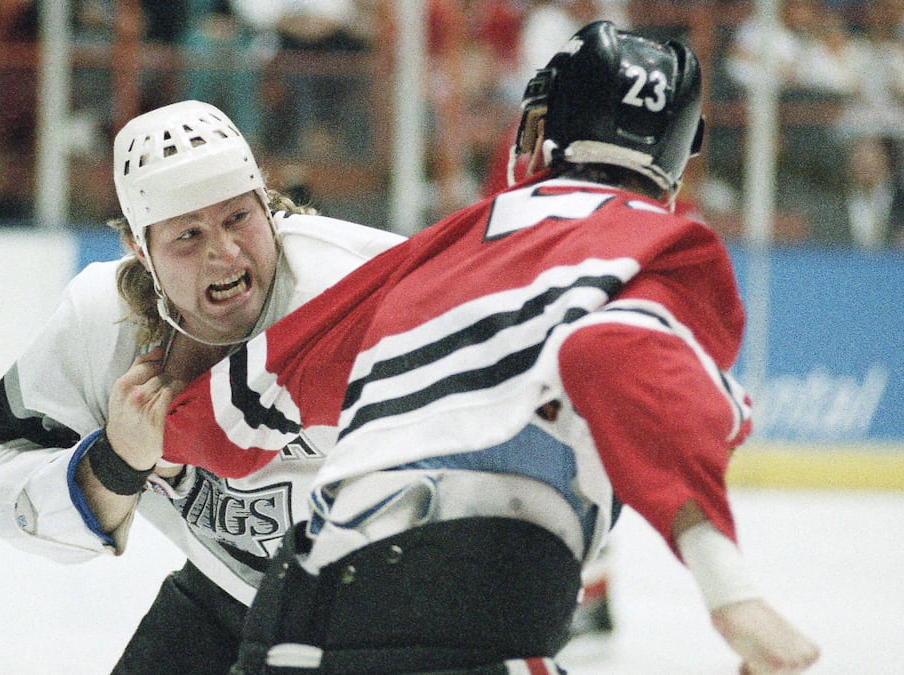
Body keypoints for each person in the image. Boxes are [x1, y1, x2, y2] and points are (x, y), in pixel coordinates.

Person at [163, 21, 820, 674]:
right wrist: (732, 593)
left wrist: (147, 440)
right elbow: (608, 355)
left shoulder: (449, 243)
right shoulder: (656, 248)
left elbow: (248, 399)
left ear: (538, 131)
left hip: (292, 609)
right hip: (463, 599)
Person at [0, 100, 403, 674]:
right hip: (229, 593)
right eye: (189, 235)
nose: (223, 253)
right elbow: (4, 485)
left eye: (237, 219)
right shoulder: (102, 322)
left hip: (389, 616)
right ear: (139, 252)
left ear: (268, 209)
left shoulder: (352, 288)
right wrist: (118, 462)